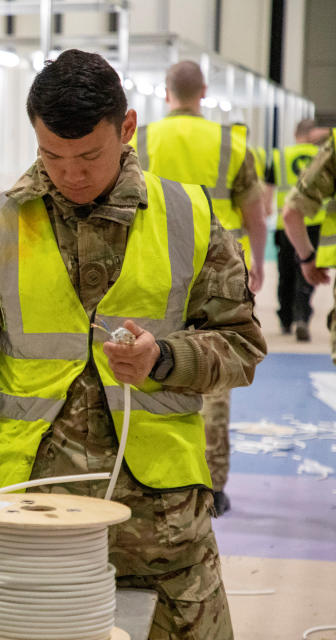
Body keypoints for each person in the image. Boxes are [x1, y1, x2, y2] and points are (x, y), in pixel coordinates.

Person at [0, 49, 265, 639]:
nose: (70, 174)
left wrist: (165, 358)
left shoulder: (191, 218)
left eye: (90, 156)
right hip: (26, 518)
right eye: (52, 155)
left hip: (161, 530)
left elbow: (242, 346)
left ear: (126, 129)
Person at [129, 60, 267, 517]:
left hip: (155, 269)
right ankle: (214, 482)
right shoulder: (233, 144)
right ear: (203, 92)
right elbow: (253, 213)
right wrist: (258, 265)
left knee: (149, 364)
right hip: (218, 271)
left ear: (166, 92)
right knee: (212, 374)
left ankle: (152, 473)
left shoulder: (139, 139)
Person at [270, 119, 331, 341]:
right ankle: (302, 316)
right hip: (315, 222)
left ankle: (285, 318)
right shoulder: (323, 155)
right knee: (307, 271)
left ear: (296, 133)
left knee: (285, 272)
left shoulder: (280, 156)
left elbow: (269, 192)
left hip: (284, 224)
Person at [282, 128, 336, 359]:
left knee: (286, 278)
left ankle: (291, 318)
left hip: (291, 229)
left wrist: (306, 258)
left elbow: (291, 212)